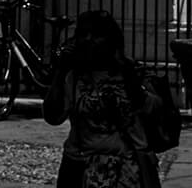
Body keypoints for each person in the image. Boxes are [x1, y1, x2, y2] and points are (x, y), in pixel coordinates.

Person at [43, 11, 165, 188]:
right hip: (81, 165)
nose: (88, 40)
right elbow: (53, 117)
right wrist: (60, 70)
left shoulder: (129, 73)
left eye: (96, 35)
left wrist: (133, 85)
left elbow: (155, 112)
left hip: (127, 169)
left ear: (110, 40)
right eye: (83, 34)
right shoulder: (74, 77)